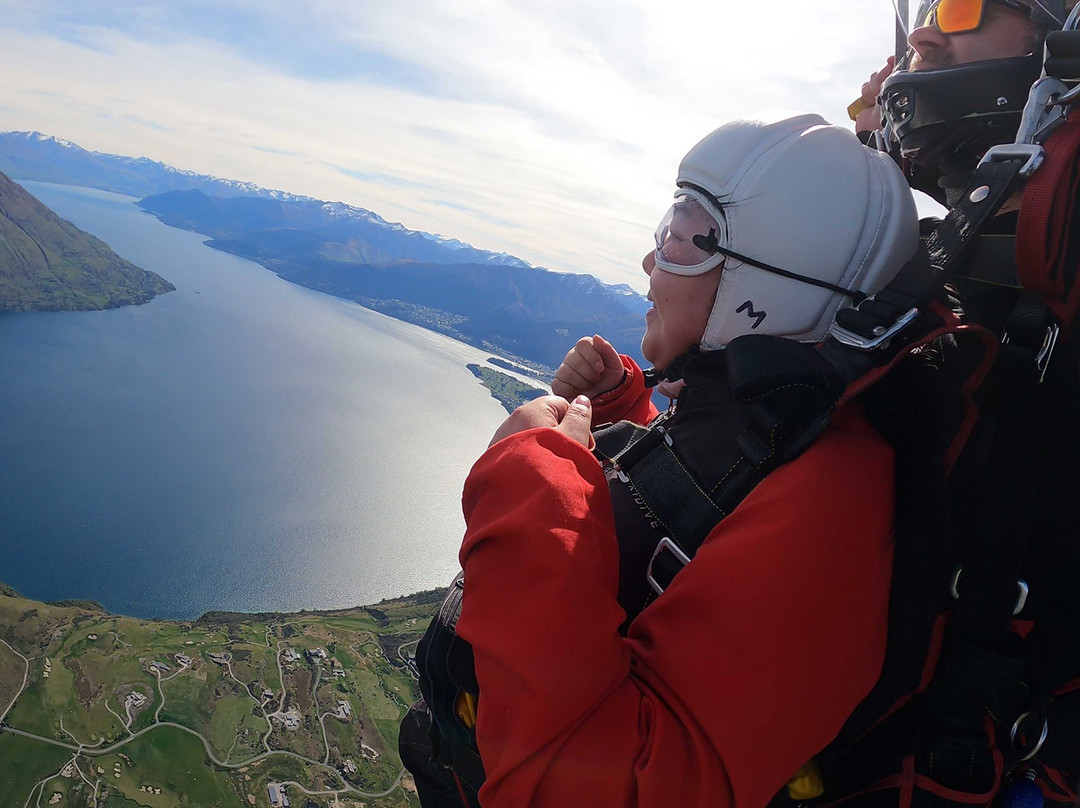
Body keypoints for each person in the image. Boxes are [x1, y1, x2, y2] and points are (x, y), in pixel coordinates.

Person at [410, 114, 920, 808]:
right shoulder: (778, 422)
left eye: (683, 241)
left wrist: (531, 485)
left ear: (767, 287)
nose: (650, 263)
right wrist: (626, 414)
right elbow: (706, 520)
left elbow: (617, 788)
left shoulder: (834, 510)